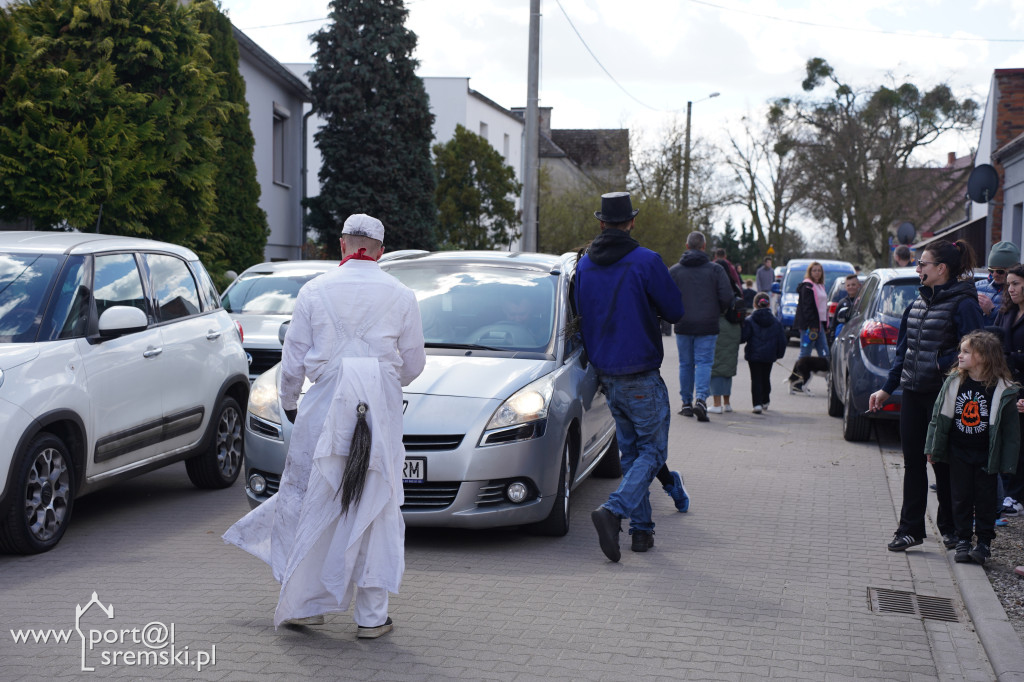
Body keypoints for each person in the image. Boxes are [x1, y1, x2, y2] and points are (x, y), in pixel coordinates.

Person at [223, 214, 426, 635]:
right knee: (377, 503)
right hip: (380, 412)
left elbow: (293, 358)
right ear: (380, 251)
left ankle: (304, 605)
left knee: (311, 499)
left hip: (323, 410)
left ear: (342, 246)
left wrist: (290, 402)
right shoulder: (402, 294)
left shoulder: (315, 291)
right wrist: (381, 386)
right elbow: (414, 364)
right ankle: (371, 618)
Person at [574, 192, 684, 562]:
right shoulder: (647, 261)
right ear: (631, 222)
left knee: (633, 453)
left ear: (602, 223)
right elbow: (675, 310)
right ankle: (614, 511)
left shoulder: (585, 266)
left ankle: (641, 533)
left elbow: (580, 314)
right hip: (639, 371)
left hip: (606, 374)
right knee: (653, 451)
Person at [869, 239, 986, 552]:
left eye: (923, 264)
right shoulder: (916, 304)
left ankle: (950, 527)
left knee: (943, 464)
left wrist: (941, 364)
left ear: (941, 269)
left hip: (945, 397)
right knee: (912, 463)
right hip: (913, 393)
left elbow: (977, 351)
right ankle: (910, 529)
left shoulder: (964, 305)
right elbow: (903, 354)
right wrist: (886, 388)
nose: (917, 268)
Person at [924, 330, 1020, 565]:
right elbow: (938, 417)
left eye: (967, 352)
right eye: (961, 351)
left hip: (986, 454)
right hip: (959, 452)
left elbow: (1010, 431)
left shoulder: (1002, 389)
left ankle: (984, 543)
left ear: (984, 357)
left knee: (986, 499)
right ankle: (964, 539)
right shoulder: (955, 382)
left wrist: (1007, 461)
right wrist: (932, 447)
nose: (960, 356)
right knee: (961, 497)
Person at [668, 232, 733, 422]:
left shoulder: (675, 271)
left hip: (683, 323)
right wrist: (716, 310)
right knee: (704, 363)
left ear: (687, 246)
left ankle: (686, 403)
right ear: (704, 247)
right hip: (708, 323)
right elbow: (727, 296)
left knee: (685, 364)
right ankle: (701, 400)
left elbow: (665, 296)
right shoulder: (715, 270)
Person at [993, 263, 1024, 519]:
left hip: (1022, 389)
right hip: (1005, 386)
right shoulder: (1006, 312)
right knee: (1005, 439)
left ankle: (1017, 495)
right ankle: (1006, 492)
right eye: (1009, 284)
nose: (1010, 289)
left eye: (1015, 284)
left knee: (1019, 443)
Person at [977, 241, 1021, 324]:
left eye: (1000, 271)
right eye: (991, 270)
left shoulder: (1018, 293)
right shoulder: (977, 286)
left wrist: (992, 311)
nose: (994, 274)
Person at [794, 262, 829, 359]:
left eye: (819, 270)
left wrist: (826, 325)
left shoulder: (821, 286)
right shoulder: (807, 286)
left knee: (825, 352)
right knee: (805, 352)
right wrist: (812, 325)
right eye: (814, 270)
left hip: (820, 324)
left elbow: (823, 307)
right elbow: (807, 308)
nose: (817, 273)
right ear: (810, 272)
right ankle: (798, 374)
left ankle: (826, 373)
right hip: (809, 326)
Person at [829, 274, 862, 340]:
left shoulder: (862, 301)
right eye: (848, 285)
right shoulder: (842, 302)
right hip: (844, 337)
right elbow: (834, 321)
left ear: (859, 285)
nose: (851, 287)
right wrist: (832, 335)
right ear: (845, 287)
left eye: (853, 285)